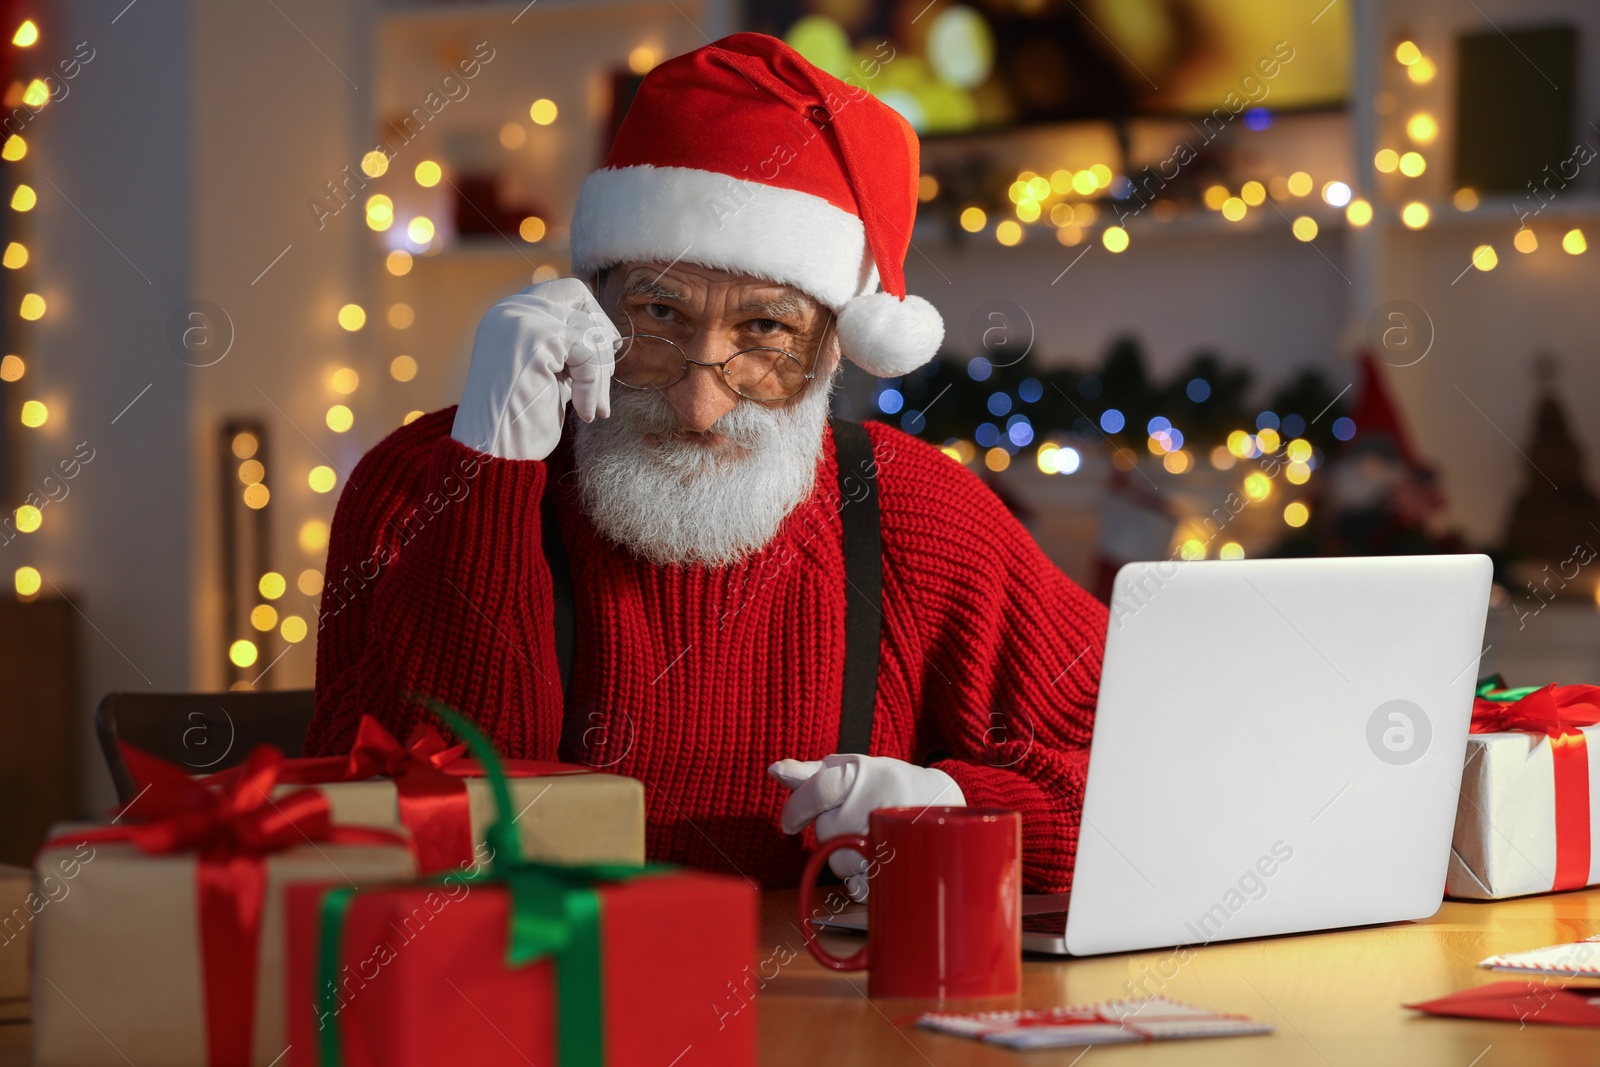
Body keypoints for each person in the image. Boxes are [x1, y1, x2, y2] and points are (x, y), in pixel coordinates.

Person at [306, 32, 1106, 895]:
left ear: (834, 347)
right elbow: (401, 838)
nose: (698, 402)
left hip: (827, 1021)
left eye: (765, 330)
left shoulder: (919, 512)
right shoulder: (413, 482)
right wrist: (487, 471)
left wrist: (953, 806)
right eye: (659, 313)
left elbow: (1141, 771)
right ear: (595, 303)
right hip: (525, 1009)